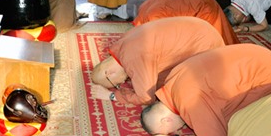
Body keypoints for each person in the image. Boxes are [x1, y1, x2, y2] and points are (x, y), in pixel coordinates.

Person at [139, 44, 271, 136]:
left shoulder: (189, 102)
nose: (175, 131)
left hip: (269, 74)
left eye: (168, 131)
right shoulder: (171, 80)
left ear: (166, 120)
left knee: (235, 131)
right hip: (261, 54)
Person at [89, 17, 225, 105]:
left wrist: (112, 96)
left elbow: (146, 98)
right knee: (159, 84)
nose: (122, 83)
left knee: (172, 95)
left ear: (110, 73)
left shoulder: (133, 58)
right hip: (201, 28)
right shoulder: (122, 44)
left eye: (116, 84)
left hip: (207, 47)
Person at [133, 0, 239, 45]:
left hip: (203, 6)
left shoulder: (152, 19)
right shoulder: (145, 11)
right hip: (201, 0)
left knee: (214, 41)